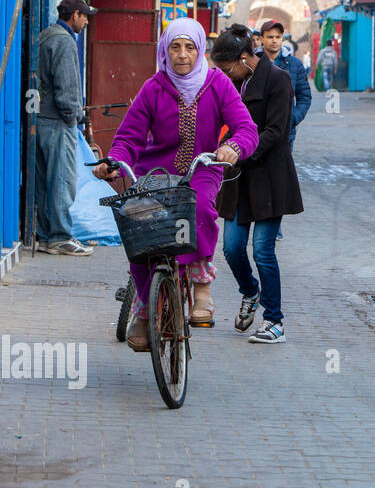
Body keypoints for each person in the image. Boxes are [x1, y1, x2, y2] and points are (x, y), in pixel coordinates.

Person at [96, 18, 257, 350]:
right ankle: (144, 306)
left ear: (200, 50)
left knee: (198, 206)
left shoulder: (218, 85)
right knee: (140, 230)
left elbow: (246, 128)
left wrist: (232, 147)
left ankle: (201, 283)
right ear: (165, 51)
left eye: (190, 47)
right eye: (175, 47)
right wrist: (112, 162)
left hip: (202, 169)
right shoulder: (153, 87)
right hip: (154, 174)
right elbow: (128, 137)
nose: (182, 55)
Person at [212, 25, 304, 345]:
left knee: (263, 250)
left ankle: (274, 321)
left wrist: (240, 149)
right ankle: (250, 291)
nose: (224, 75)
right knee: (231, 247)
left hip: (269, 176)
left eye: (227, 69)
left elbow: (277, 131)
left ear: (243, 59)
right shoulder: (231, 83)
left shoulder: (278, 80)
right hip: (237, 179)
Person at [35, 0, 98, 255]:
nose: (85, 22)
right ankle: (60, 237)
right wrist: (75, 117)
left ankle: (45, 234)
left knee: (45, 181)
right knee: (63, 180)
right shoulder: (65, 41)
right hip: (58, 122)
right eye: (84, 17)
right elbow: (68, 88)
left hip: (40, 119)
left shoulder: (46, 36)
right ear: (74, 16)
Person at [259, 20, 311, 144]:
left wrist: (293, 118)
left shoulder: (295, 64)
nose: (274, 40)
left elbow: (304, 96)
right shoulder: (254, 63)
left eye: (278, 37)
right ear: (262, 38)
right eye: (270, 37)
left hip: (285, 131)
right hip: (258, 130)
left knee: (283, 163)